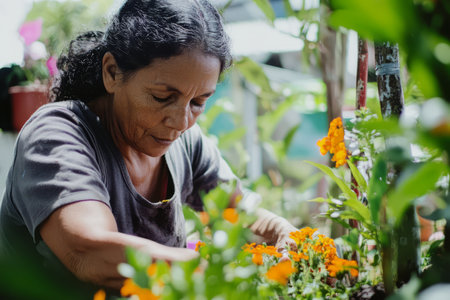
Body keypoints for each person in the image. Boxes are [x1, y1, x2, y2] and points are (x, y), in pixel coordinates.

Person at [0, 0, 296, 293]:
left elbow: (241, 207)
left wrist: (284, 232)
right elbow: (90, 251)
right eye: (161, 97)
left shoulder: (185, 144)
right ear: (112, 73)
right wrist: (221, 268)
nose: (181, 122)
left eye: (198, 102)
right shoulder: (58, 134)